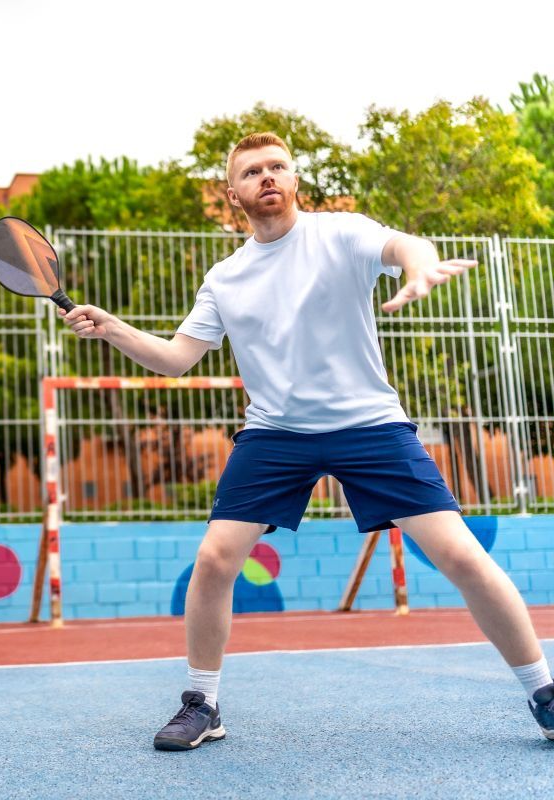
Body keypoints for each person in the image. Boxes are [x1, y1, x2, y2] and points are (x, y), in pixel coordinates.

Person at [60, 132, 554, 751]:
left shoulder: (340, 233)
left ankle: (543, 691)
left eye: (277, 167)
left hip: (369, 425)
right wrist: (112, 328)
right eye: (251, 172)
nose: (266, 177)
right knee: (215, 561)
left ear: (294, 180)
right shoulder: (226, 277)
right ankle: (202, 704)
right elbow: (175, 358)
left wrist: (419, 261)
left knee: (459, 555)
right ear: (233, 192)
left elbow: (401, 243)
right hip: (276, 433)